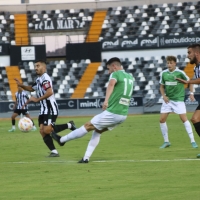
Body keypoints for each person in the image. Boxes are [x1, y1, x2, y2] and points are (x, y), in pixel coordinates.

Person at [51, 57, 134, 163]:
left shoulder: (115, 74)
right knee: (97, 131)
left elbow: (111, 84)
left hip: (113, 113)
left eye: (109, 69)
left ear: (114, 66)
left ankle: (62, 140)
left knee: (87, 126)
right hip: (123, 114)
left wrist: (106, 101)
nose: (109, 72)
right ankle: (86, 158)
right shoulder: (130, 77)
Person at [14, 60, 76, 157]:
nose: (35, 68)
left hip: (50, 107)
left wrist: (37, 99)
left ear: (44, 67)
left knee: (47, 130)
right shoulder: (39, 79)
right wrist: (21, 85)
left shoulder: (45, 78)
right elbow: (31, 88)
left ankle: (69, 126)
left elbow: (49, 92)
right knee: (42, 131)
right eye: (35, 66)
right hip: (43, 109)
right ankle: (54, 151)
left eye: (38, 66)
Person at [159, 55, 198, 149]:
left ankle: (193, 141)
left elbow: (190, 82)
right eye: (168, 63)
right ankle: (166, 141)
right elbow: (161, 86)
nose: (169, 65)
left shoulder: (180, 73)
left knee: (184, 119)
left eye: (171, 63)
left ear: (175, 63)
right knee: (162, 120)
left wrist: (191, 93)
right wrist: (163, 96)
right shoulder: (164, 73)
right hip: (168, 100)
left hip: (178, 100)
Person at [176, 43, 200, 157]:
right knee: (195, 119)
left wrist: (188, 82)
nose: (187, 56)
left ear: (196, 53)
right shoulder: (196, 67)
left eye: (189, 53)